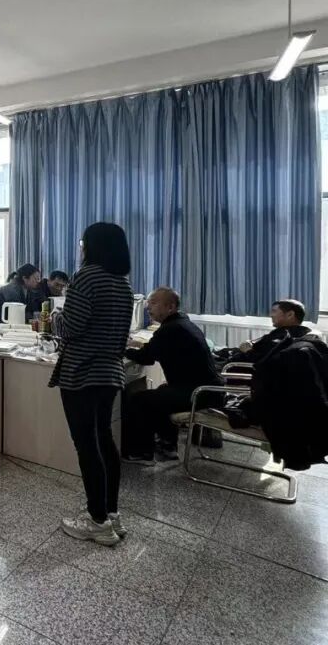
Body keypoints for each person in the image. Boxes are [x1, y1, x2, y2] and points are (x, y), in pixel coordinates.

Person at [49, 222, 133, 547]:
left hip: (82, 372)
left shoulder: (86, 277)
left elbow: (70, 327)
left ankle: (96, 521)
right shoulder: (122, 284)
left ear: (93, 246)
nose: (81, 248)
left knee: (87, 446)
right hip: (110, 372)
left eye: (83, 243)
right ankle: (110, 513)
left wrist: (55, 317)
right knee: (104, 441)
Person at [122, 287, 222, 463]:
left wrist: (121, 350)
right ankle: (167, 446)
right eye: (148, 303)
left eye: (153, 303)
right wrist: (137, 346)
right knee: (161, 392)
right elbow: (155, 350)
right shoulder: (182, 322)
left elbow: (146, 357)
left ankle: (141, 453)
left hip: (198, 393)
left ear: (170, 307)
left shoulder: (170, 329)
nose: (148, 307)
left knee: (139, 400)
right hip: (207, 390)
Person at [228, 299, 312, 366]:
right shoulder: (299, 333)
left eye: (274, 311)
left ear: (290, 314)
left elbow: (264, 363)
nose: (271, 315)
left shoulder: (285, 338)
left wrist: (247, 350)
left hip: (239, 369)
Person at [0, 264, 42, 331]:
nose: (38, 281)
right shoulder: (12, 289)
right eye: (36, 278)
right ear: (25, 278)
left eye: (39, 279)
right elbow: (16, 314)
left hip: (3, 321)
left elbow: (30, 309)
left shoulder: (28, 290)